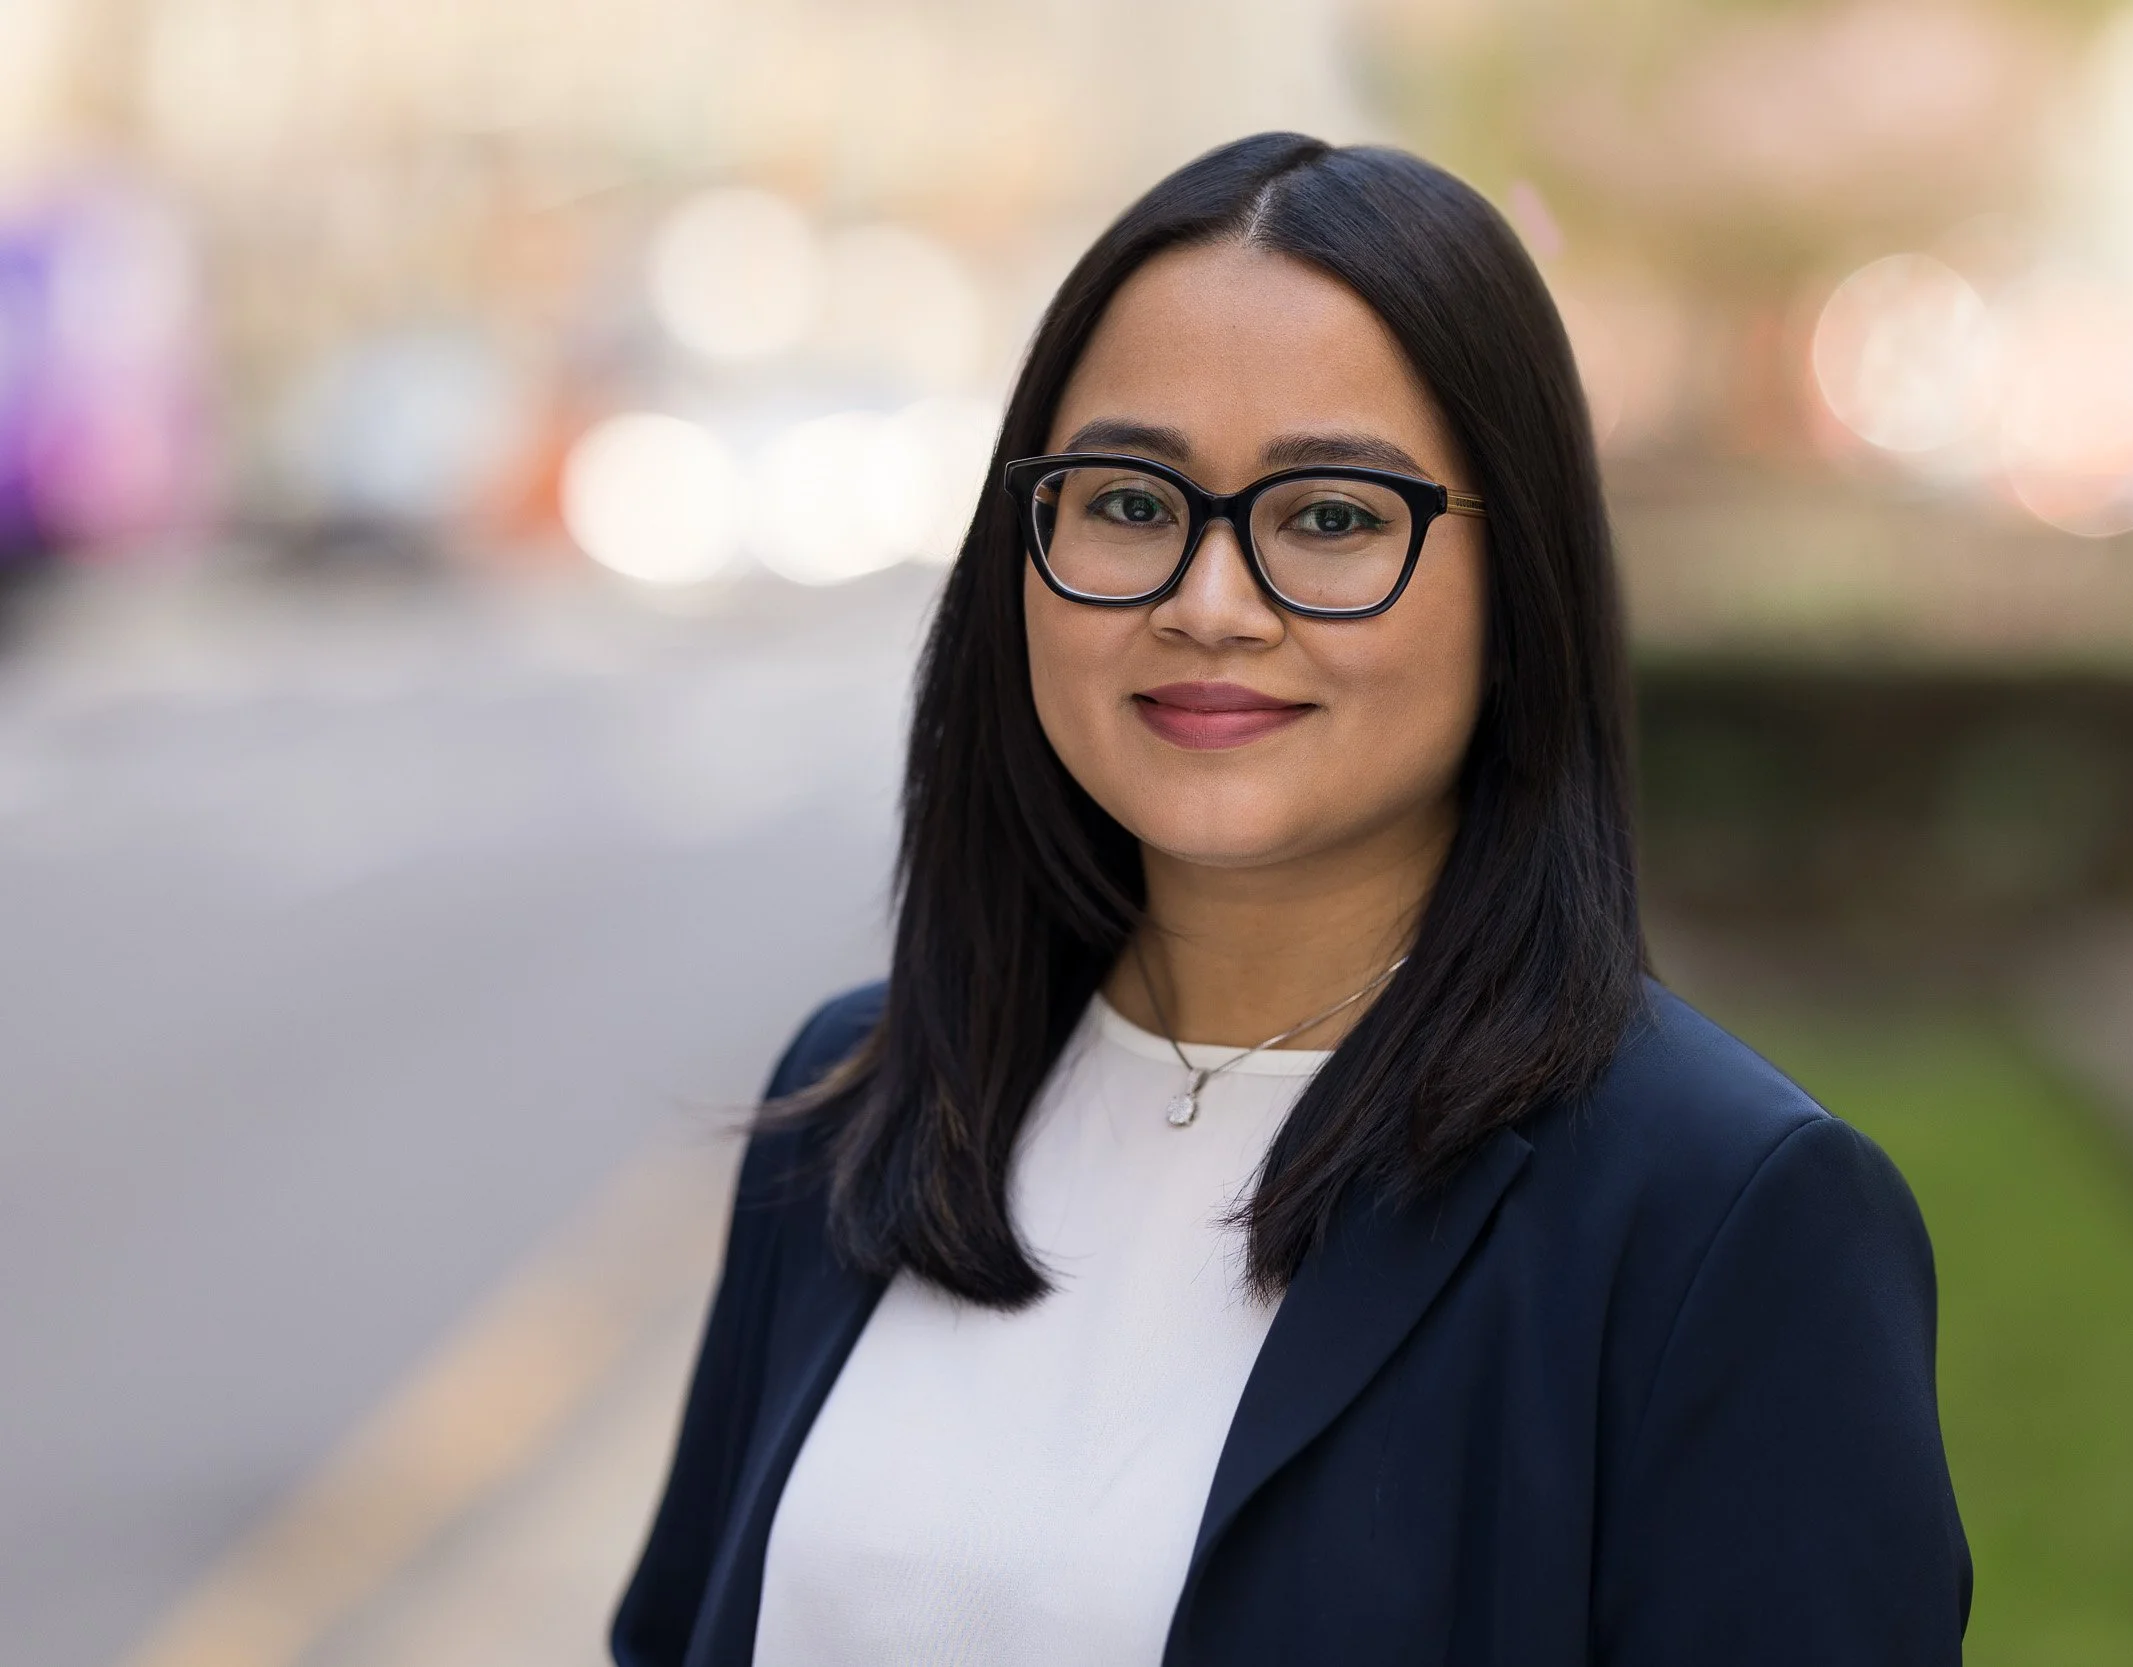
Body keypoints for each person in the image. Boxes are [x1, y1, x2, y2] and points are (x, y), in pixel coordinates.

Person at [613, 133, 1969, 1667]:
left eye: (1331, 517)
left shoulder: (1722, 1221)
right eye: (1129, 502)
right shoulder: (859, 1100)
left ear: (1516, 586)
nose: (1208, 603)